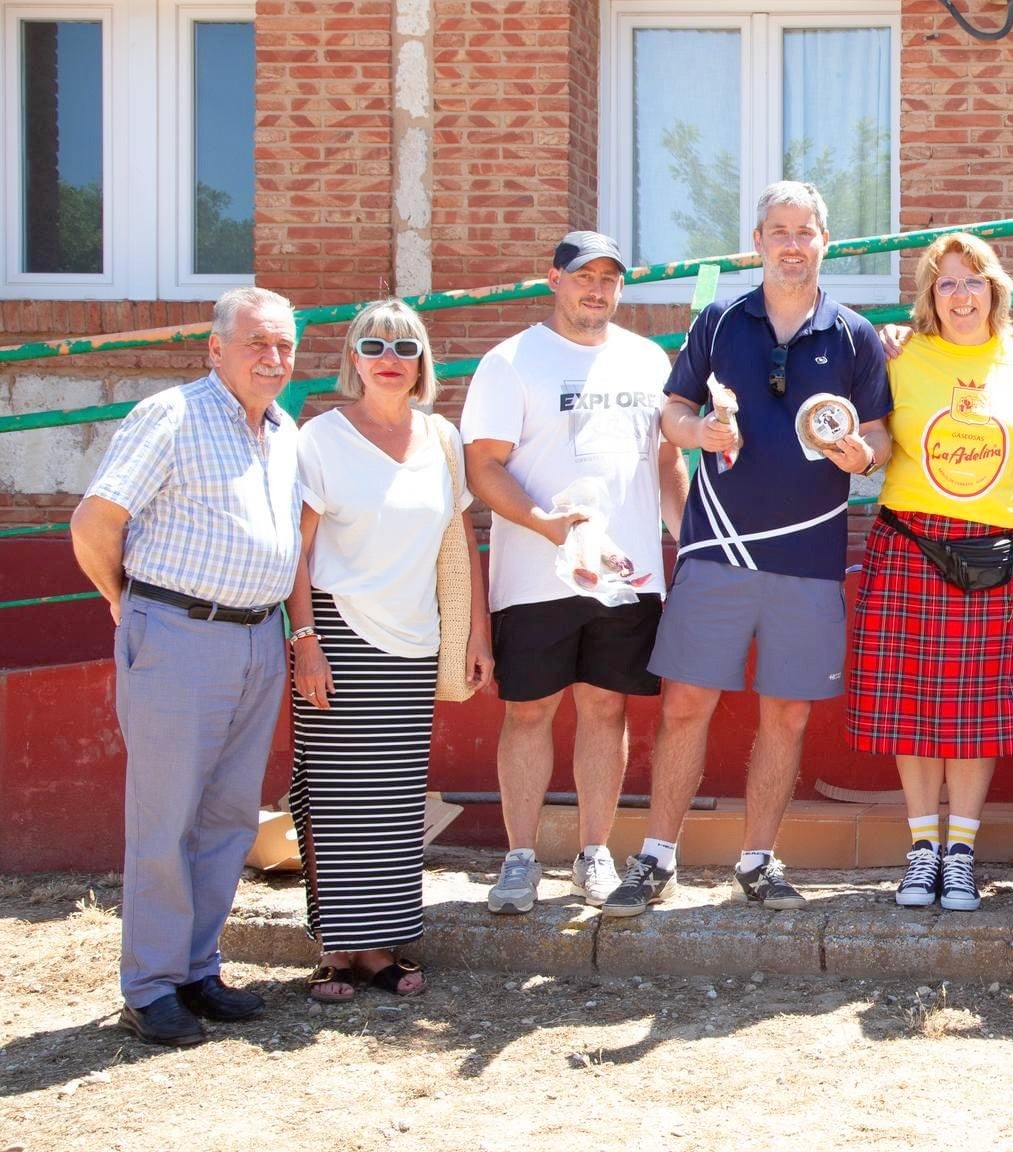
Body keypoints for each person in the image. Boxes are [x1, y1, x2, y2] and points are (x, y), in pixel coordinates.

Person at [611, 183, 891, 917]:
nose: (792, 243)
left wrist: (864, 457)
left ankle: (760, 860)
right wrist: (696, 432)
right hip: (716, 550)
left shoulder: (856, 335)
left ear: (825, 241)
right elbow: (672, 410)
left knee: (788, 716)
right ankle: (656, 858)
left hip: (808, 556)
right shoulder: (718, 321)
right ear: (759, 241)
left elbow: (883, 433)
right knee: (685, 706)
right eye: (778, 230)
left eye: (805, 231)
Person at [70, 286, 301, 1045]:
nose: (273, 359)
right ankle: (150, 984)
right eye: (256, 344)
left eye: (284, 346)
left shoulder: (284, 429)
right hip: (177, 632)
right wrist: (124, 599)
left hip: (255, 638)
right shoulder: (170, 416)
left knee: (229, 815)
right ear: (216, 348)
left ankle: (198, 969)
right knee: (165, 816)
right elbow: (96, 519)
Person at [461, 231, 685, 915]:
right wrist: (549, 526)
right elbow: (483, 468)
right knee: (528, 712)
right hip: (536, 576)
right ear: (552, 279)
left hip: (627, 575)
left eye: (609, 278)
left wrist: (693, 541)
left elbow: (667, 464)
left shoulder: (648, 361)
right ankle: (520, 858)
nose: (596, 289)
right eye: (582, 275)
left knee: (605, 708)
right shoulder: (510, 362)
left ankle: (594, 854)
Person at [286, 301, 492, 999]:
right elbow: (299, 552)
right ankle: (336, 950)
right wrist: (306, 642)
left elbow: (460, 544)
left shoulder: (441, 438)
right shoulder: (321, 437)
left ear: (421, 362)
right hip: (338, 634)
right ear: (352, 357)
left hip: (413, 640)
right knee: (338, 797)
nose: (388, 358)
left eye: (404, 347)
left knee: (394, 801)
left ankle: (382, 946)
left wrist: (474, 637)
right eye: (372, 344)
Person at [848, 232, 1013, 912]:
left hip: (991, 554)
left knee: (974, 708)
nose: (961, 295)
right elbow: (876, 437)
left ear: (996, 289)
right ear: (929, 298)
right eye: (946, 284)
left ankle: (960, 852)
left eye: (973, 281)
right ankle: (922, 851)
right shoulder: (900, 362)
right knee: (912, 704)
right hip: (911, 543)